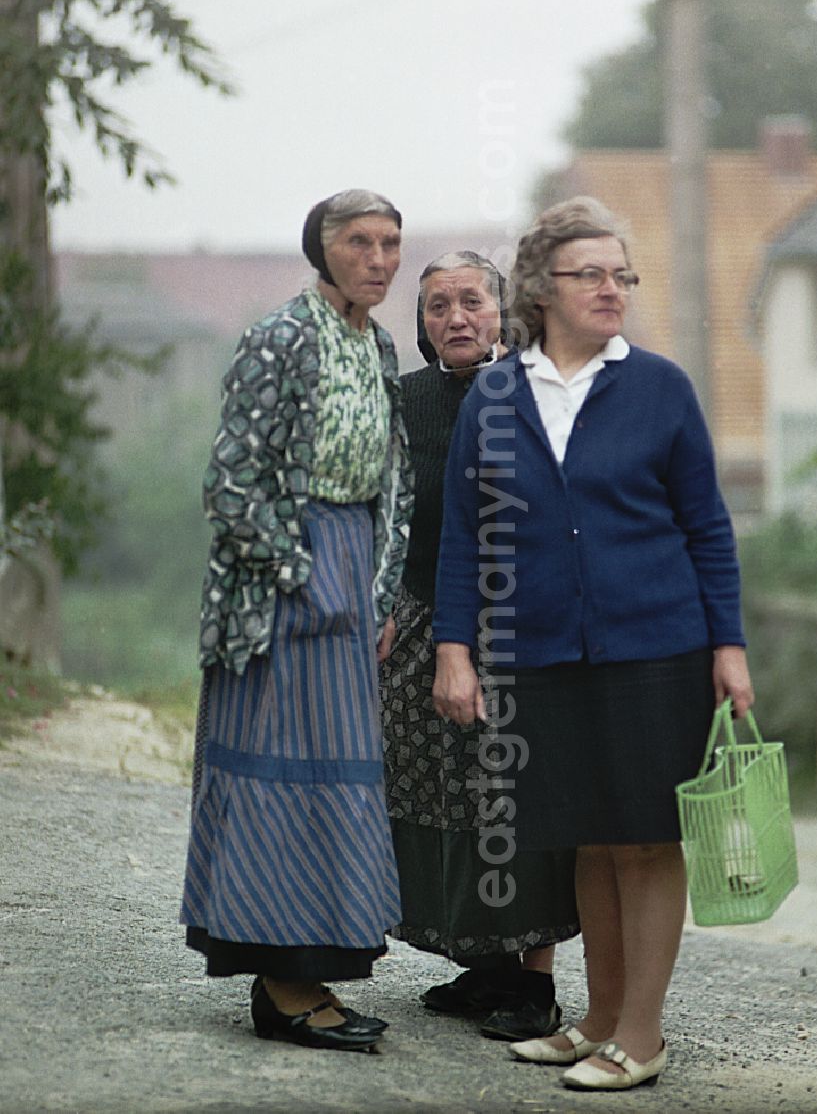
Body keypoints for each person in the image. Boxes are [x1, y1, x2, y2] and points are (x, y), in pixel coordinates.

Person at [432, 197, 754, 1092]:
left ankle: (641, 1036)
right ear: (543, 289)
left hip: (658, 648)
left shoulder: (660, 387)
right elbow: (466, 535)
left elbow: (708, 527)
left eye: (622, 275)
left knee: (646, 839)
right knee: (587, 838)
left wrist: (728, 645)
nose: (613, 289)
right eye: (593, 275)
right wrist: (453, 647)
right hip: (536, 651)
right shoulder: (496, 395)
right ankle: (600, 1020)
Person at [180, 189, 413, 1052]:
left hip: (353, 570)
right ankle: (284, 985)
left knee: (339, 778)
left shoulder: (378, 344)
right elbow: (231, 484)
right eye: (360, 242)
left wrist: (378, 592)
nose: (380, 259)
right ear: (322, 251)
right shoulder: (279, 336)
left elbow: (396, 480)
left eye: (391, 242)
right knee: (284, 776)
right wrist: (298, 576)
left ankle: (306, 976)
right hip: (281, 582)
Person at [380, 251, 579, 1042]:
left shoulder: (535, 395)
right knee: (438, 793)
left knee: (513, 793)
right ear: (422, 324)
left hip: (520, 627)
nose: (455, 318)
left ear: (505, 311)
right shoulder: (405, 402)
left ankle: (533, 981)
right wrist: (382, 601)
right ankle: (481, 963)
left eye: (471, 301)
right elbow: (381, 508)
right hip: (423, 619)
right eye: (436, 306)